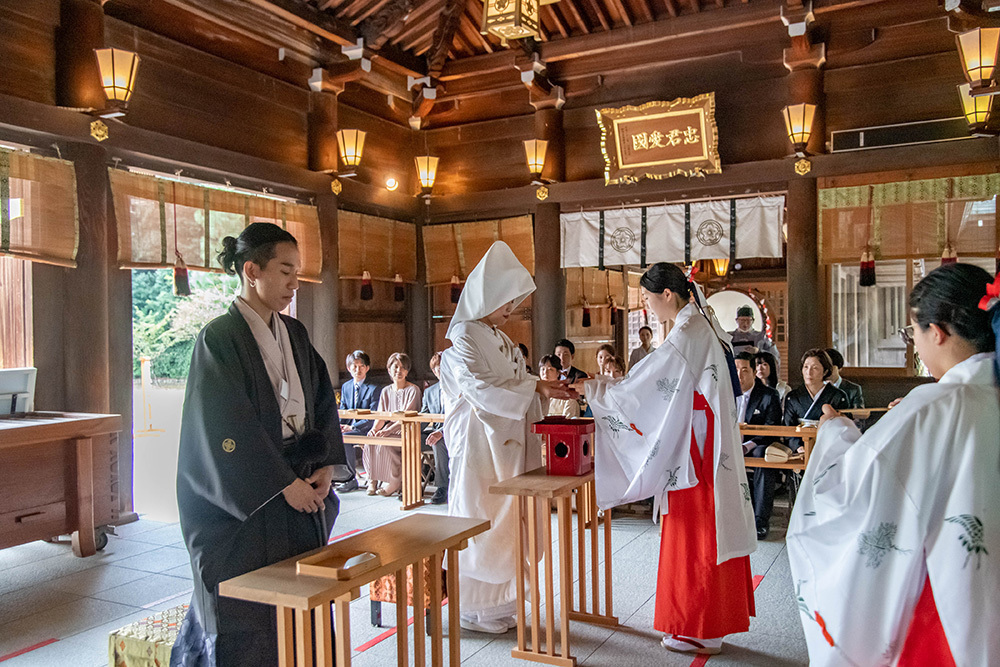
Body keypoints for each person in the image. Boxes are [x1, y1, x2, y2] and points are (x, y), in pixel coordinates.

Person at [788, 263, 1000, 666]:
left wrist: (836, 433)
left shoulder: (933, 406)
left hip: (944, 605)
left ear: (936, 332)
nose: (915, 344)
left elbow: (853, 492)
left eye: (913, 333)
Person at [172, 223, 346, 667]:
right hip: (249, 500)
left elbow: (323, 400)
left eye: (297, 272)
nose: (294, 282)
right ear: (252, 270)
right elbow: (223, 427)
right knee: (248, 611)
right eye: (285, 270)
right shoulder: (219, 338)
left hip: (301, 485)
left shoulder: (295, 333)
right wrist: (282, 484)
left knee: (304, 602)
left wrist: (324, 465)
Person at [573, 262, 756, 656]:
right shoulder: (701, 323)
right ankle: (705, 624)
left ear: (667, 295)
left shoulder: (688, 331)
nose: (648, 305)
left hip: (694, 449)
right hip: (704, 442)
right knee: (704, 529)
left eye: (647, 297)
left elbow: (646, 384)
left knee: (696, 534)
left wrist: (596, 388)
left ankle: (700, 626)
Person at [441, 241, 575, 634]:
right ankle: (474, 608)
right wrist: (534, 390)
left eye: (514, 300)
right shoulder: (466, 334)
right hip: (481, 441)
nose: (511, 308)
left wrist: (540, 388)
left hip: (508, 437)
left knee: (511, 518)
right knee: (479, 515)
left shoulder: (498, 335)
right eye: (506, 299)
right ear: (487, 295)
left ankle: (501, 605)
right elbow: (478, 387)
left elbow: (517, 381)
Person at [733, 352, 783, 540]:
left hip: (755, 445)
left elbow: (772, 428)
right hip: (729, 445)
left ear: (755, 372)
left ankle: (760, 521)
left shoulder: (768, 395)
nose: (739, 375)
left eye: (745, 370)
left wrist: (746, 446)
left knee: (763, 457)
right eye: (736, 370)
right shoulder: (724, 393)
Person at [363, 353, 420, 497]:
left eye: (403, 368)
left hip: (407, 430)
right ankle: (373, 480)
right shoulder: (386, 391)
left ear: (407, 371)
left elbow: (407, 416)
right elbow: (381, 416)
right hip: (389, 429)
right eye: (395, 367)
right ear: (389, 370)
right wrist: (374, 429)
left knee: (386, 443)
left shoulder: (413, 390)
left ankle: (395, 482)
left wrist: (388, 430)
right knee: (371, 441)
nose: (399, 371)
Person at [782, 349, 849, 454]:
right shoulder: (793, 397)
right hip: (800, 451)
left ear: (825, 371)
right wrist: (799, 448)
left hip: (828, 449)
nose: (809, 372)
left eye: (815, 368)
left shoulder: (838, 396)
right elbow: (788, 427)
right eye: (806, 367)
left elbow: (843, 427)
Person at [337, 349, 380, 492]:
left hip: (367, 428)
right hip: (349, 428)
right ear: (349, 368)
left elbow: (373, 415)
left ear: (367, 368)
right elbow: (343, 410)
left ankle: (350, 479)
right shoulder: (346, 387)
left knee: (344, 439)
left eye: (361, 366)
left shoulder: (374, 388)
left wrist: (353, 427)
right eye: (354, 366)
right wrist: (342, 425)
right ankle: (340, 476)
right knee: (334, 435)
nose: (358, 369)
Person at [421, 352, 448, 505]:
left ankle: (442, 487)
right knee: (409, 441)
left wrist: (442, 432)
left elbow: (461, 417)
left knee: (438, 442)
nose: (441, 372)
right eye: (438, 369)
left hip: (454, 432)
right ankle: (409, 486)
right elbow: (423, 418)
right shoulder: (429, 392)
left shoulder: (459, 389)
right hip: (434, 432)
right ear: (434, 371)